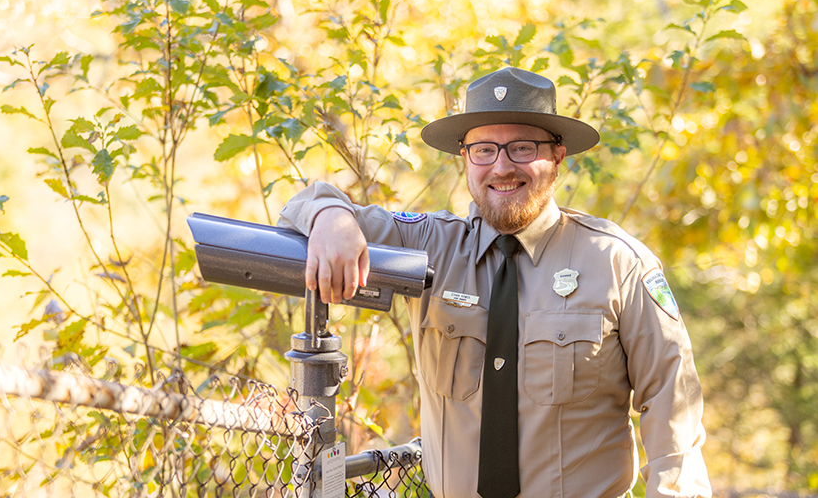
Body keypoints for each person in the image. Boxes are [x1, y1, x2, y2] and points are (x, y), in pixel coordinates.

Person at [277, 67, 711, 498]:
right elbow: (294, 213)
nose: (501, 167)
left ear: (557, 157)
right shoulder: (428, 245)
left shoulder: (617, 263)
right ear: (465, 157)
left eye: (522, 148)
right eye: (484, 149)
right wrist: (330, 217)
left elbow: (673, 404)